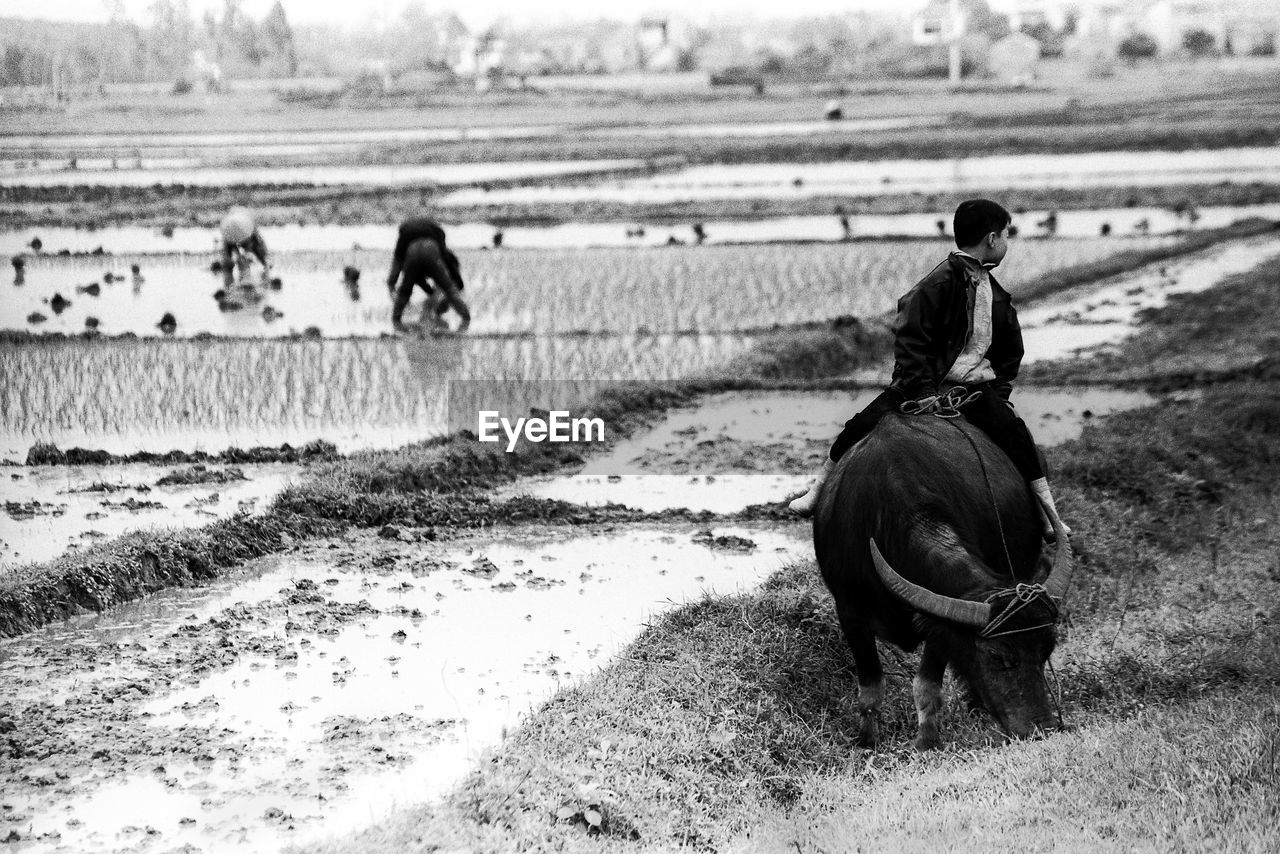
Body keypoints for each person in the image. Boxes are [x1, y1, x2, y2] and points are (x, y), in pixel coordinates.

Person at [789, 198, 1071, 539]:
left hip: (974, 390)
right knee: (858, 426)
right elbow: (911, 337)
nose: (1007, 243)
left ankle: (1047, 516)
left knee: (1016, 436)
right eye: (1007, 236)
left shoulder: (994, 292)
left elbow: (1011, 349)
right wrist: (922, 390)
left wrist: (998, 391)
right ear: (993, 239)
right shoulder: (937, 285)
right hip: (922, 386)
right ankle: (817, 494)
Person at [386, 216, 470, 333]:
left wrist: (391, 282)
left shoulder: (404, 235)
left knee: (405, 290)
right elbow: (446, 259)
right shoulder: (437, 233)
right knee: (448, 288)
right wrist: (459, 284)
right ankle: (466, 318)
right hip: (431, 250)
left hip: (412, 252)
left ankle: (396, 320)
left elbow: (398, 260)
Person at [218, 206, 270, 288]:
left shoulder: (230, 222)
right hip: (239, 235)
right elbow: (258, 244)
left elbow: (258, 243)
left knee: (233, 258)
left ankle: (230, 282)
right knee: (237, 258)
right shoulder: (244, 221)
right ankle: (242, 275)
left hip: (236, 235)